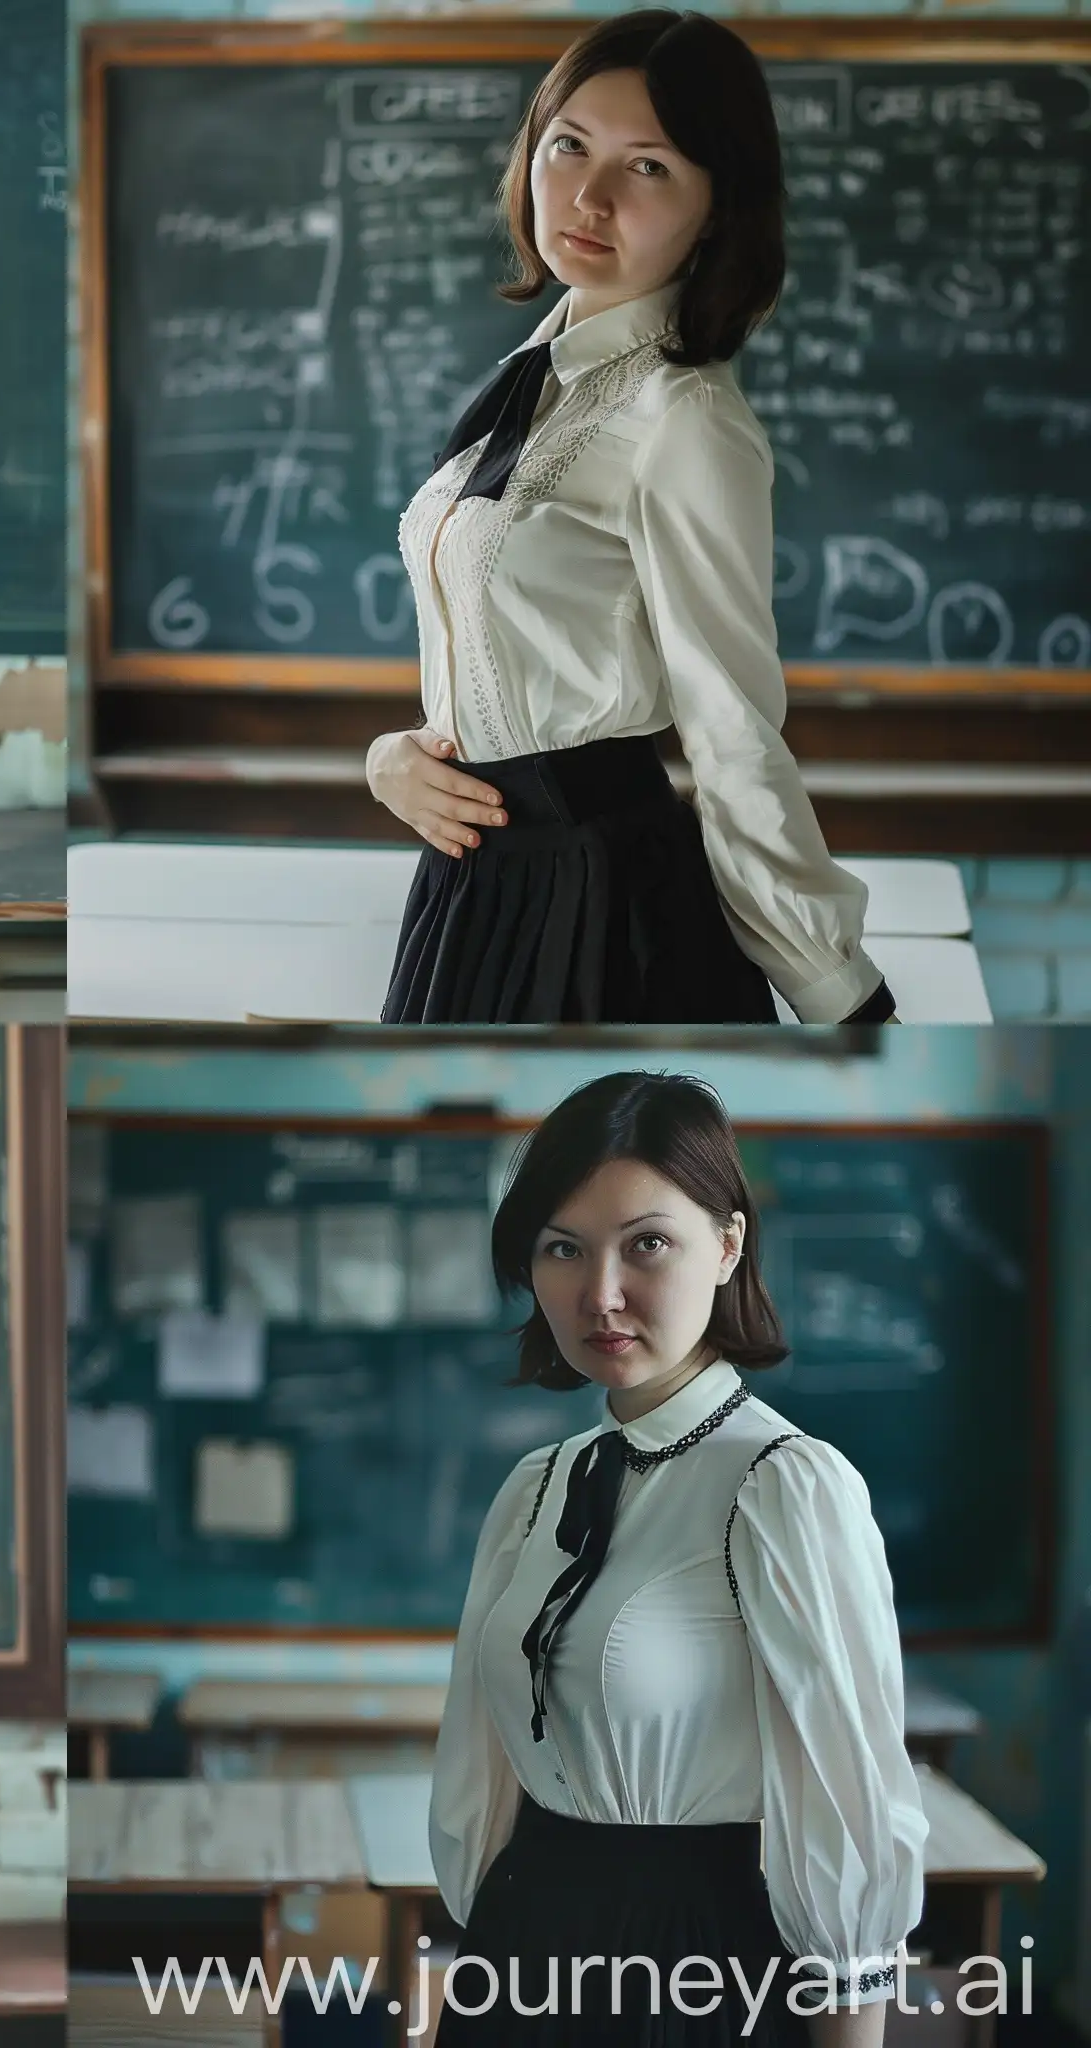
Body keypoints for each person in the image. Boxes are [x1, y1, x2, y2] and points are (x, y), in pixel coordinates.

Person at [366, 11, 895, 1027]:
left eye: (645, 167)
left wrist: (840, 998)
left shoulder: (682, 420)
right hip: (472, 884)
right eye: (567, 146)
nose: (588, 196)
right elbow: (495, 655)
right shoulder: (531, 379)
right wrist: (393, 759)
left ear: (716, 207)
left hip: (596, 896)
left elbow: (731, 732)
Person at [431, 1071, 925, 2044]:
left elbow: (847, 1818)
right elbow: (482, 1774)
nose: (599, 1292)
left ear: (727, 1242)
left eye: (644, 1243)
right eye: (561, 1247)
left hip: (695, 1966)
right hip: (518, 1951)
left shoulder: (784, 1486)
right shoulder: (535, 1484)